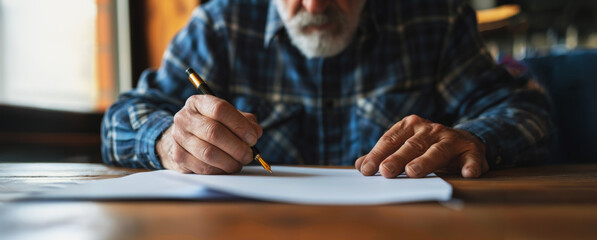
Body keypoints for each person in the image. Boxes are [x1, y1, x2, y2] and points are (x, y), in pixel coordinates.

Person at [101, 0, 551, 178]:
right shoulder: (221, 24)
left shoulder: (434, 17)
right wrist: (167, 140)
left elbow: (523, 111)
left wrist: (475, 138)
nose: (314, 5)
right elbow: (121, 121)